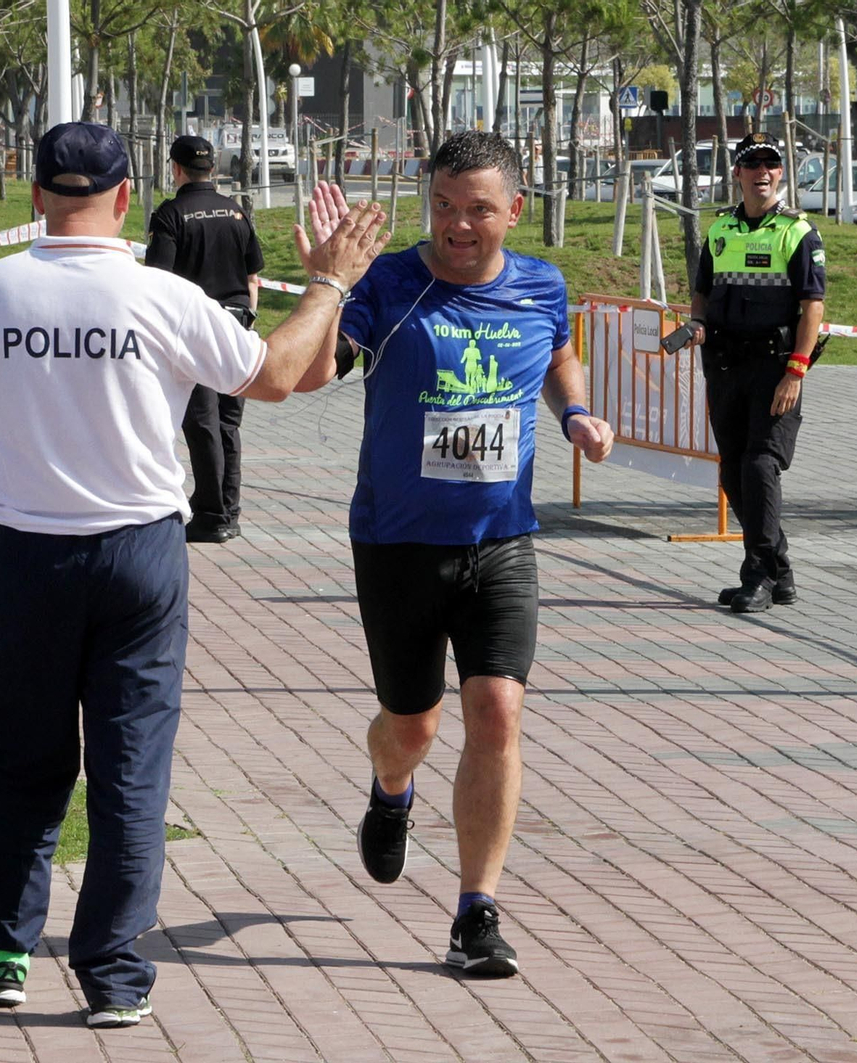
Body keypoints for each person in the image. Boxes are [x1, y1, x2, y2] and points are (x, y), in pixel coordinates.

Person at [0, 121, 390, 1028]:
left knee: (22, 761)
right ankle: (112, 974)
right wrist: (331, 282)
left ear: (33, 194)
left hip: (26, 552)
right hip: (140, 553)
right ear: (128, 197)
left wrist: (26, 414)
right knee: (131, 769)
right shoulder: (162, 296)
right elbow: (282, 374)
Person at [313, 131, 614, 977]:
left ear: (513, 212)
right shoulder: (392, 284)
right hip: (398, 542)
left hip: (503, 542)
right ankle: (390, 788)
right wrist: (327, 286)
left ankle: (476, 912)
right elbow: (313, 372)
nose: (457, 225)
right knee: (411, 726)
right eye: (443, 206)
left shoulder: (541, 286)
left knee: (497, 711)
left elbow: (558, 354)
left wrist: (575, 412)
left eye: (478, 209)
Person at [678, 132, 825, 614]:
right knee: (732, 470)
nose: (763, 171)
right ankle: (779, 570)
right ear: (737, 173)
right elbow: (703, 289)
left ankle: (758, 574)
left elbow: (812, 308)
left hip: (774, 369)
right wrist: (697, 323)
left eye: (771, 164)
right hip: (724, 366)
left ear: (781, 174)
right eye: (753, 163)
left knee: (761, 465)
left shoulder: (797, 232)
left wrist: (796, 371)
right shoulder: (719, 230)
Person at [145, 134, 265, 543]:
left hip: (192, 328)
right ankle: (228, 508)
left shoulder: (170, 214)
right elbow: (252, 278)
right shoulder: (236, 213)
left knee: (202, 423)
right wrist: (247, 322)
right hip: (236, 323)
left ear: (175, 168)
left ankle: (212, 514)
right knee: (229, 423)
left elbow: (157, 282)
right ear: (211, 168)